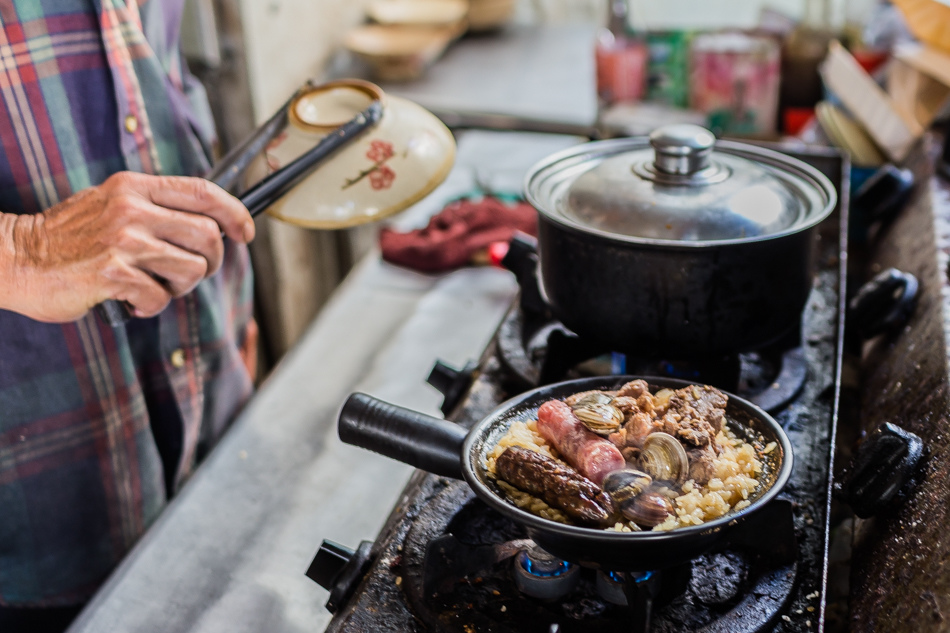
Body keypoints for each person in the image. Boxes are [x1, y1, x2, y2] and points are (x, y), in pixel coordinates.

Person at [0, 1, 258, 631]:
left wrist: (237, 319)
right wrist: (23, 251)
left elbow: (153, 67)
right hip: (29, 508)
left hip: (212, 415)